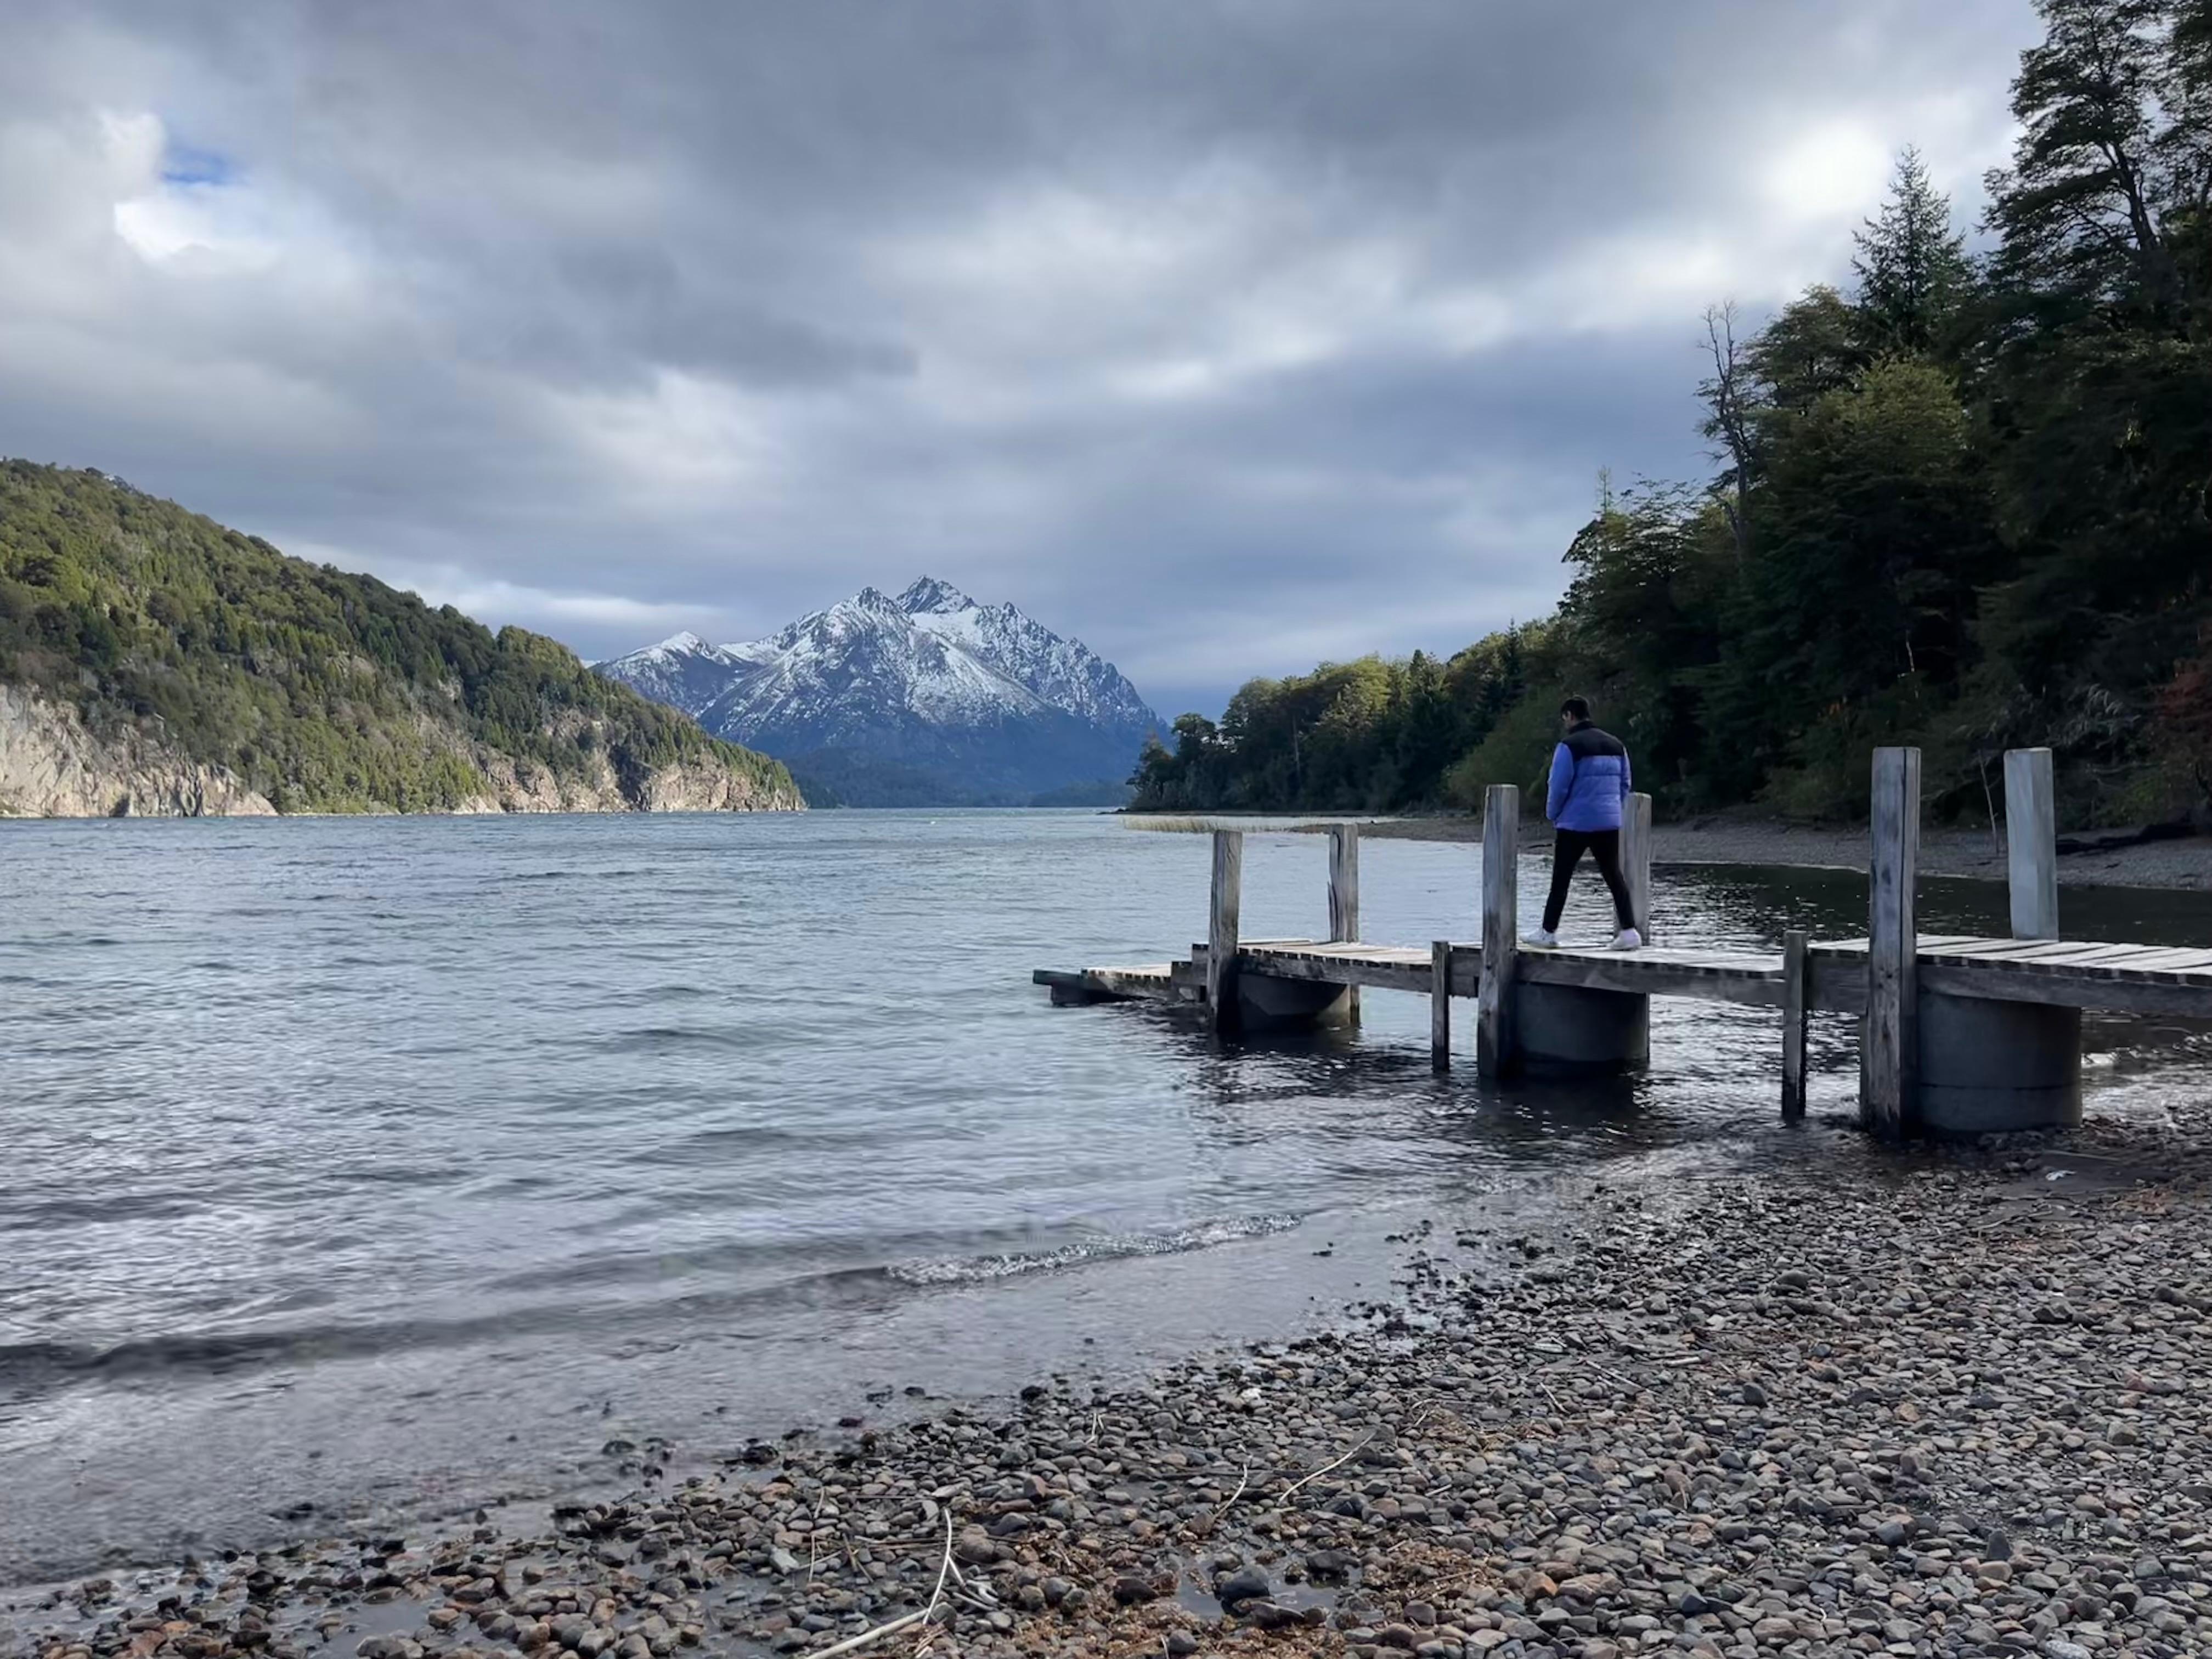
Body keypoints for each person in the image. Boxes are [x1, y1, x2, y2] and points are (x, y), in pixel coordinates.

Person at [1526, 696, 1641, 950]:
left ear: (1569, 715)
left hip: (1575, 821)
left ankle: (1548, 932)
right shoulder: (1617, 745)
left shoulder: (1569, 746)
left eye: (1564, 718)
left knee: (1562, 878)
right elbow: (1625, 784)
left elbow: (1558, 786)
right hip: (1608, 821)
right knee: (1613, 875)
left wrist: (1553, 814)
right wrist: (1613, 808)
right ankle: (1630, 931)